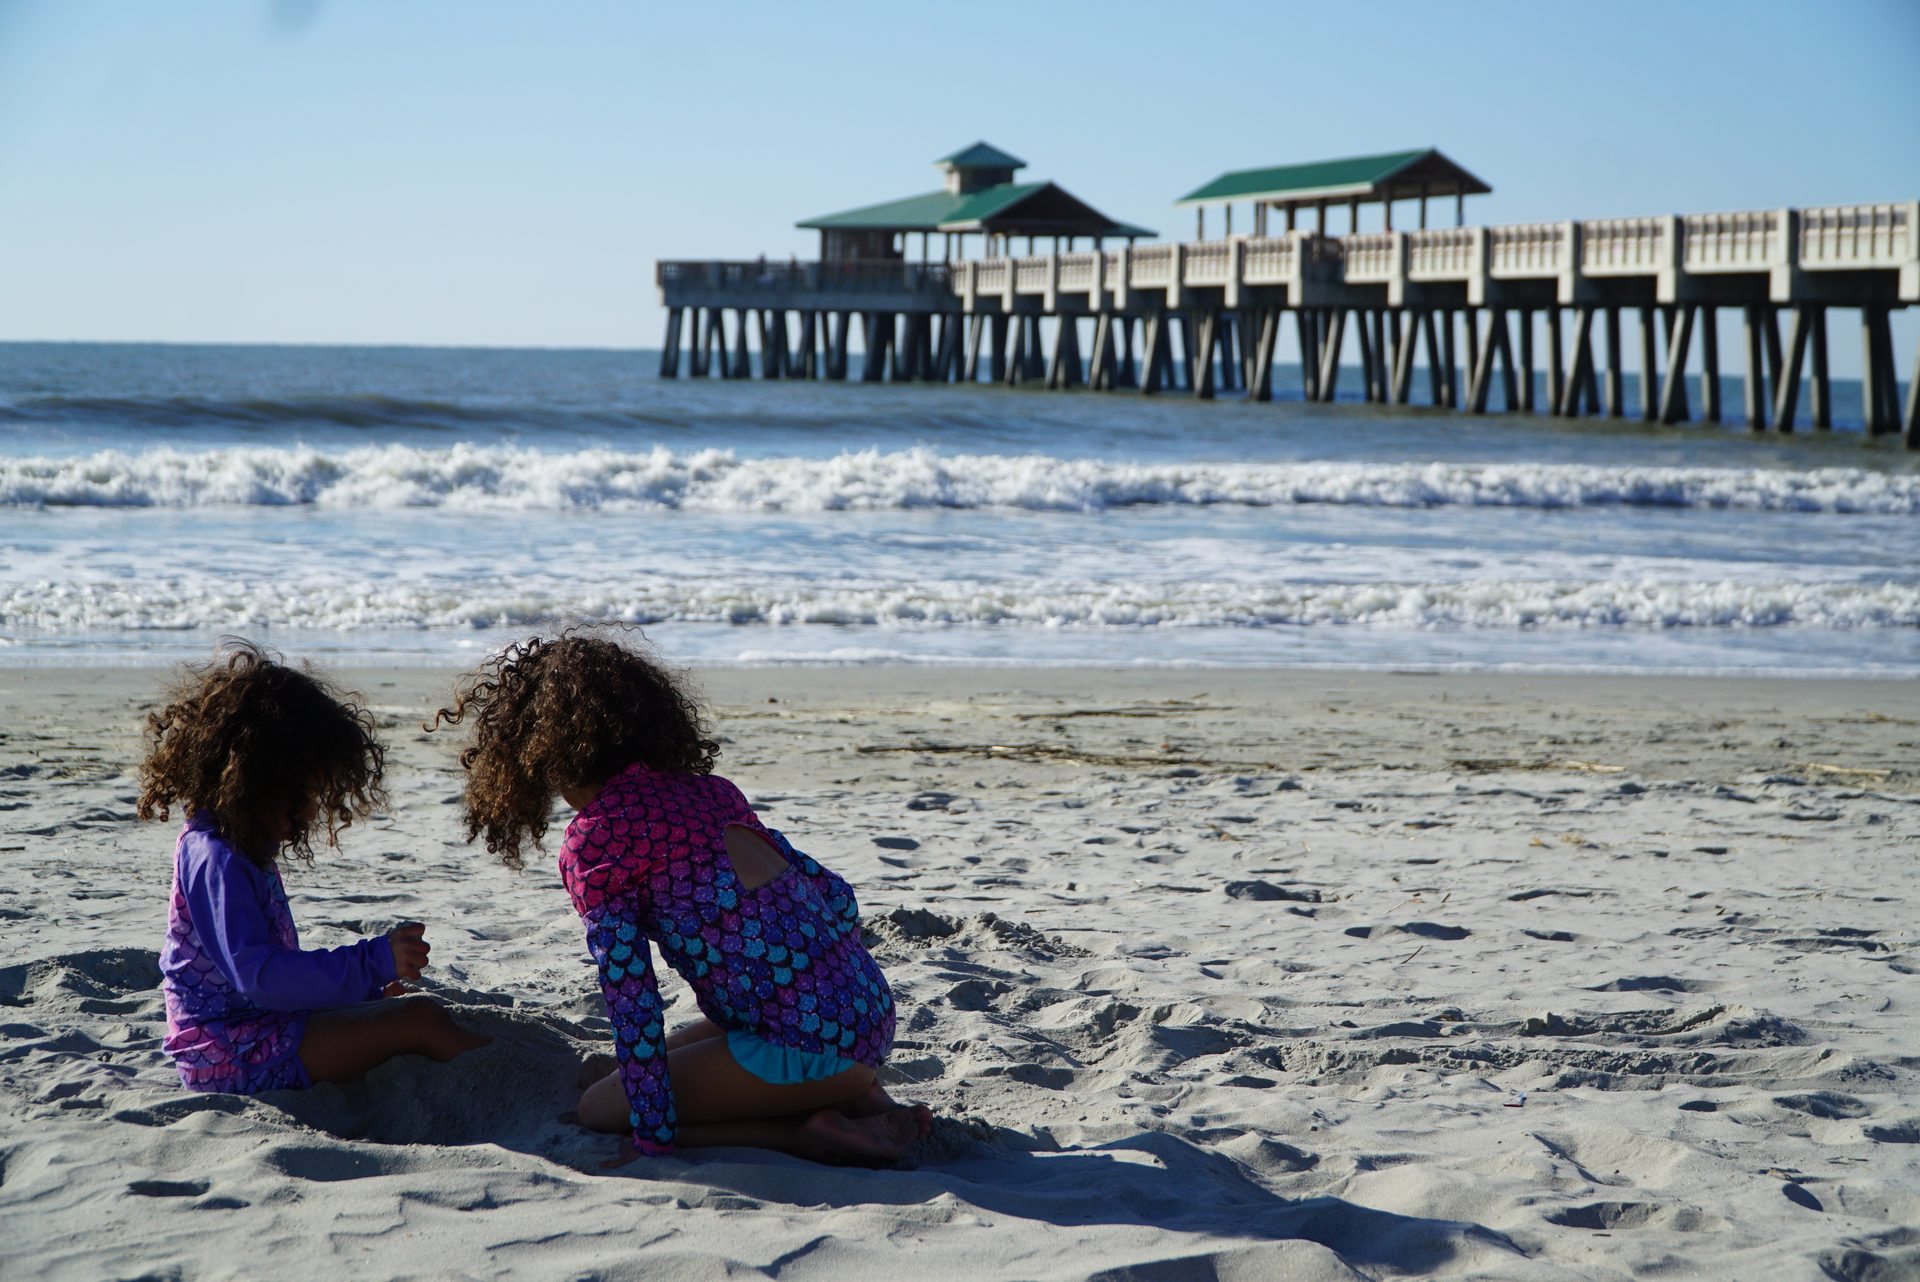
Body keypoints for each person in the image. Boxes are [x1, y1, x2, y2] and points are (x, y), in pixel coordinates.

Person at [431, 628, 930, 1165]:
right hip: (869, 1011)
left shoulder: (597, 839)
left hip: (804, 1045)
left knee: (601, 1107)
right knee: (633, 1068)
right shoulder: (713, 794)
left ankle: (808, 1130)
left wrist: (654, 1131)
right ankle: (854, 1091)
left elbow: (632, 993)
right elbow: (836, 897)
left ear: (541, 752)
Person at [141, 641, 486, 1093]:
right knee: (420, 1022)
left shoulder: (236, 843)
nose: (307, 815)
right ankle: (515, 1078)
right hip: (230, 1054)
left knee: (401, 1010)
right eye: (302, 798)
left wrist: (362, 993)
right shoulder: (216, 858)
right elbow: (262, 977)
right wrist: (371, 962)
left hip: (258, 1028)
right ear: (256, 780)